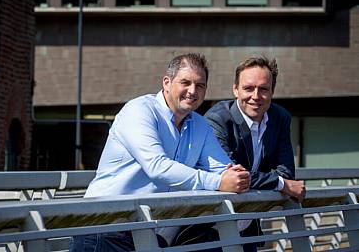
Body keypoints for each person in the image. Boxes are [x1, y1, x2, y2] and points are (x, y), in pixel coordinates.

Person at [70, 53, 251, 252]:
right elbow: (157, 166)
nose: (192, 91)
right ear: (167, 82)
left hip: (147, 233)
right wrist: (218, 182)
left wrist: (235, 176)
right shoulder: (139, 111)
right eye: (185, 82)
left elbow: (222, 169)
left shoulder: (200, 125)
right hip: (103, 229)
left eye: (200, 85)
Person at [204, 56, 306, 251]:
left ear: (272, 92)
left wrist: (283, 180)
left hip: (248, 224)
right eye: (248, 88)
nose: (256, 96)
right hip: (210, 226)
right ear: (235, 89)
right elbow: (232, 176)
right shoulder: (217, 119)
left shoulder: (280, 117)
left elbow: (286, 171)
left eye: (263, 89)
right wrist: (281, 184)